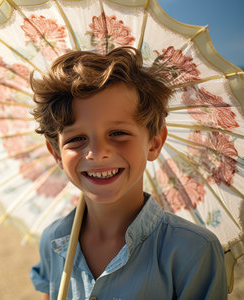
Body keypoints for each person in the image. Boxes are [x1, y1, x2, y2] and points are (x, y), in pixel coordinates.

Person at [29, 47, 227, 299]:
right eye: (77, 138)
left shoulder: (194, 250)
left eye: (118, 133)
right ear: (56, 153)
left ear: (154, 142)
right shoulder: (53, 241)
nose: (97, 153)